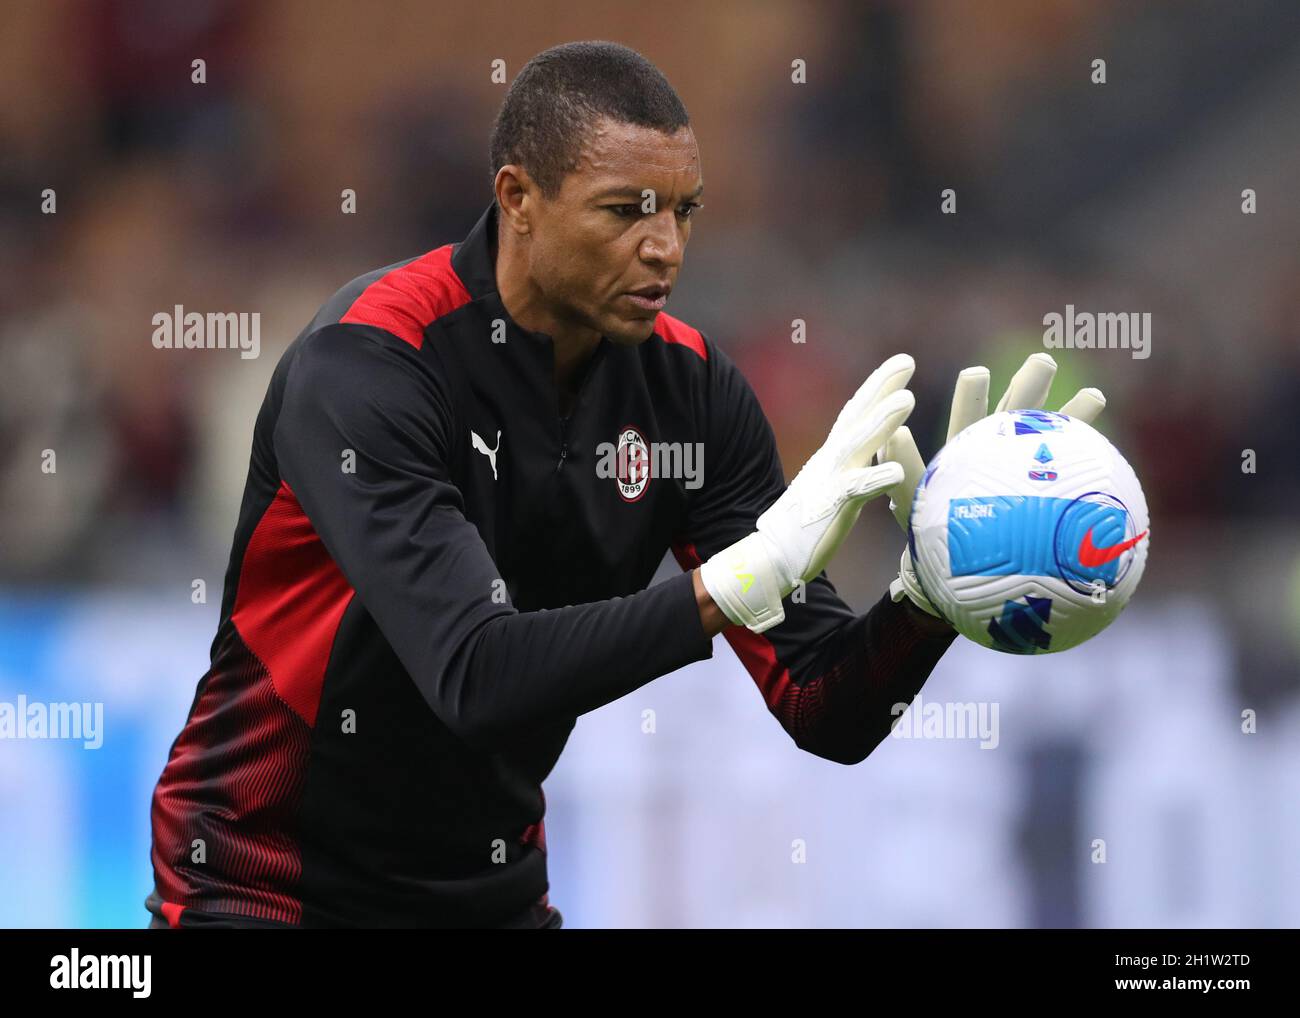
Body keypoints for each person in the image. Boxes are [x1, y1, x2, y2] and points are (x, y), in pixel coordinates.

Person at [145, 40, 1102, 929]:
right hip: (258, 887)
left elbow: (826, 709)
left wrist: (927, 594)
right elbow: (475, 675)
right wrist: (730, 586)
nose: (666, 250)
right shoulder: (369, 366)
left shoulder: (691, 394)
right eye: (624, 211)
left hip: (489, 901)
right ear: (517, 197)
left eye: (683, 211)